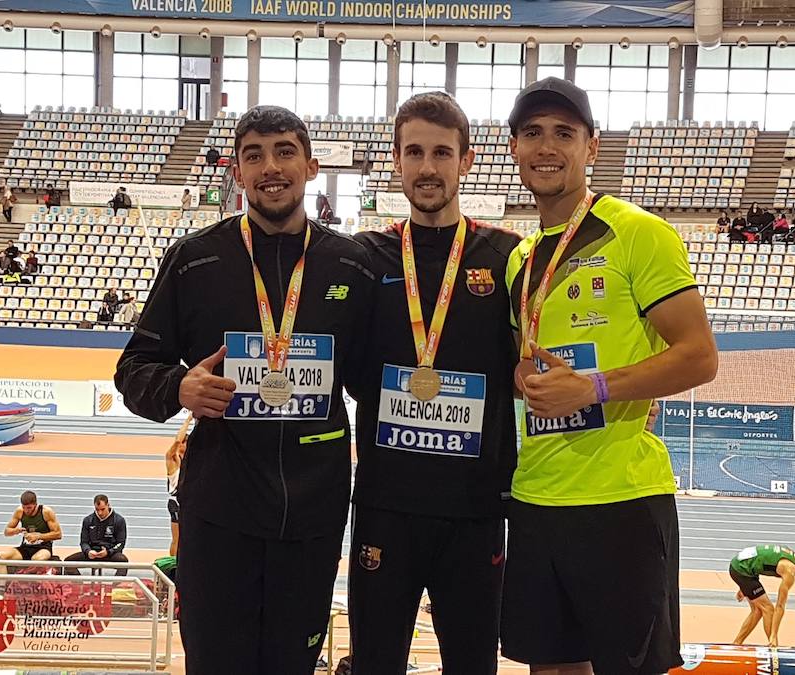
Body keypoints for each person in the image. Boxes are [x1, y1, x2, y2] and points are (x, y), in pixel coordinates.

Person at [114, 104, 373, 674]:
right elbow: (133, 369)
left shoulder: (350, 265)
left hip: (312, 515)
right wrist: (179, 386)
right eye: (253, 155)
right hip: (219, 514)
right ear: (236, 170)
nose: (269, 167)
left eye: (284, 152)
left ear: (309, 165)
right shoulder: (194, 260)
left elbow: (376, 379)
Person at [501, 77, 719, 675]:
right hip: (537, 495)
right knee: (551, 666)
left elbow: (700, 354)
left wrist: (594, 387)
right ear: (514, 148)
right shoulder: (521, 260)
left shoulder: (640, 234)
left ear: (591, 146)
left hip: (621, 500)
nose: (548, 147)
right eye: (533, 134)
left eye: (564, 134)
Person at [347, 92, 522, 674]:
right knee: (375, 661)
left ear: (465, 160)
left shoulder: (506, 256)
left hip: (474, 510)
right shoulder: (362, 256)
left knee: (473, 664)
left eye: (441, 152)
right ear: (396, 160)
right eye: (414, 152)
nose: (427, 167)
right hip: (384, 503)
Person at [730, 544, 795, 647]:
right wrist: (774, 635)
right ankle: (773, 646)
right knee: (768, 609)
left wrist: (744, 587)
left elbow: (760, 559)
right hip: (742, 570)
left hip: (741, 567)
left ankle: (736, 644)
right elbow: (780, 606)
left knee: (757, 611)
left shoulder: (789, 554)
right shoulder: (789, 569)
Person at [0, 491, 62, 575]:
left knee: (36, 560)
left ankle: (32, 587)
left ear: (35, 504)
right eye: (24, 507)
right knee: (1, 557)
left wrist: (39, 536)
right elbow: (7, 531)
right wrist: (16, 530)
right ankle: (1, 587)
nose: (26, 510)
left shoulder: (46, 512)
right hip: (25, 548)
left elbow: (58, 534)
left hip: (43, 547)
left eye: (29, 508)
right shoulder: (19, 511)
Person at [64, 495, 129, 576]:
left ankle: (115, 587)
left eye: (102, 509)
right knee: (68, 562)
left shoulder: (119, 520)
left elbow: (121, 543)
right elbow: (84, 542)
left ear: (108, 505)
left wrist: (108, 552)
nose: (100, 513)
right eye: (97, 509)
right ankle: (81, 586)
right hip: (92, 553)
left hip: (110, 554)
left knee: (123, 561)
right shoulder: (88, 520)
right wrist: (88, 551)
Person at [166, 414, 193, 557]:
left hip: (190, 501)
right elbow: (177, 441)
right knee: (177, 539)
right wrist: (188, 420)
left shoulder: (192, 460)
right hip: (176, 501)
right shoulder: (173, 459)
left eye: (185, 442)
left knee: (190, 539)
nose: (182, 445)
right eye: (181, 442)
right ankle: (173, 567)